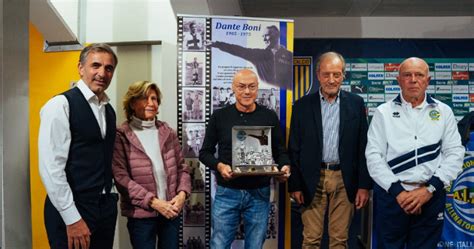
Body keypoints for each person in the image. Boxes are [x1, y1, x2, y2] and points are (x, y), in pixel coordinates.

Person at [365, 57, 464, 248]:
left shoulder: (444, 112)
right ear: (399, 80)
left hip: (430, 196)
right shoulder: (383, 112)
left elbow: (454, 154)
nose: (413, 79)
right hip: (392, 198)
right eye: (407, 75)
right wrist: (398, 192)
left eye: (419, 75)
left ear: (427, 80)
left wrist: (429, 189)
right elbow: (374, 157)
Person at [288, 52, 372, 249]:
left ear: (343, 75)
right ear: (318, 75)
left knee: (340, 240)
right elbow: (294, 148)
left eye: (336, 74)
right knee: (311, 239)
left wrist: (363, 186)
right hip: (311, 180)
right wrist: (295, 185)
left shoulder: (356, 103)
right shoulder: (302, 106)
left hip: (345, 179)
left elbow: (363, 147)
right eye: (326, 74)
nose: (331, 80)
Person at [199, 69, 291, 249]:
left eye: (252, 86)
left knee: (255, 246)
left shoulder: (269, 115)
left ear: (257, 88)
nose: (247, 91)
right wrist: (219, 166)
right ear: (233, 88)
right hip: (227, 192)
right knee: (219, 244)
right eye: (241, 87)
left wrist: (285, 166)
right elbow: (205, 153)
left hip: (259, 192)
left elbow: (280, 151)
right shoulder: (220, 116)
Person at [39, 43, 119, 249]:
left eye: (108, 68)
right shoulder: (60, 105)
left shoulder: (109, 110)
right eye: (96, 65)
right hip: (73, 209)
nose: (102, 73)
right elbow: (51, 168)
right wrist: (71, 218)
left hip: (104, 208)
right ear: (81, 68)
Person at [112, 81, 191, 249]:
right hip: (141, 215)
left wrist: (182, 195)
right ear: (132, 103)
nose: (151, 103)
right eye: (144, 98)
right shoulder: (121, 135)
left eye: (154, 98)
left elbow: (182, 168)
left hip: (171, 211)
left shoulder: (167, 132)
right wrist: (154, 202)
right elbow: (121, 177)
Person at [207, 25, 293, 89]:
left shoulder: (290, 55)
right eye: (263, 37)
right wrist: (216, 44)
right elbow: (238, 50)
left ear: (276, 35)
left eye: (266, 35)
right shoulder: (259, 54)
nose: (264, 40)